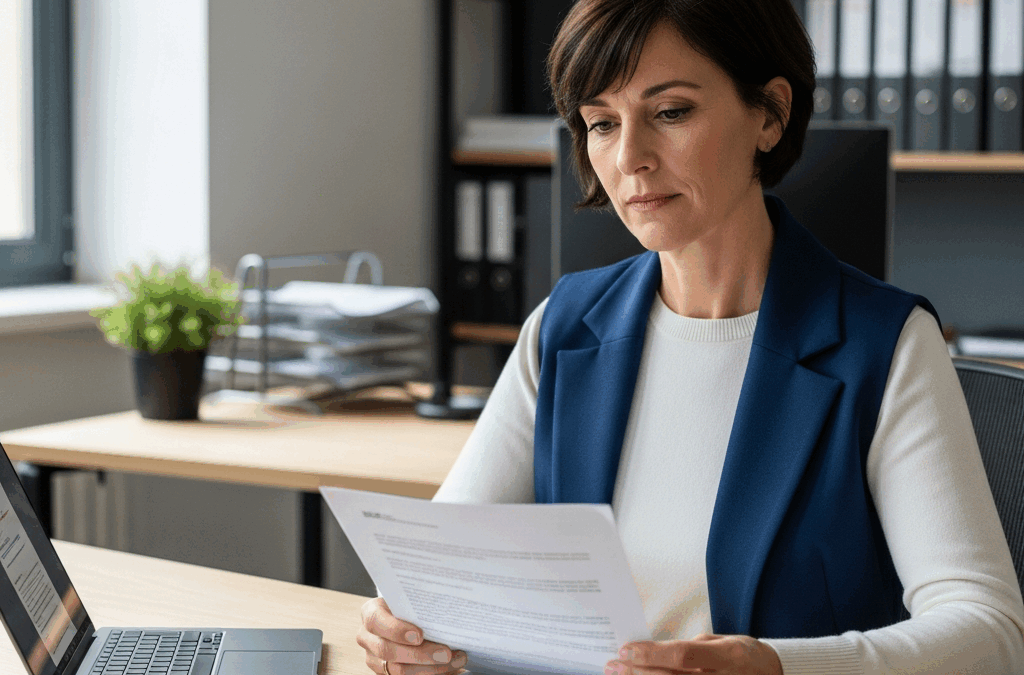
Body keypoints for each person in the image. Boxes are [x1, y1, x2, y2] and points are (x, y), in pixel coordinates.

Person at [358, 0, 1024, 673]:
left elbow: (990, 631)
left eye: (671, 112)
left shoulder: (886, 345)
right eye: (601, 123)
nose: (630, 158)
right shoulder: (563, 328)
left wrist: (776, 666)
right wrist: (404, 625)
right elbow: (439, 573)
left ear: (770, 114)